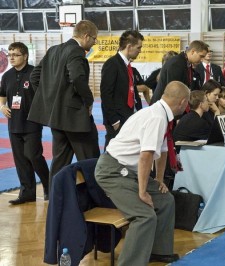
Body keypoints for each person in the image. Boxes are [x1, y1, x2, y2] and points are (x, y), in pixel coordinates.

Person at [95, 81, 190, 266]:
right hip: (112, 172)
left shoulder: (160, 113)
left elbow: (161, 150)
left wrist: (159, 180)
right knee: (144, 216)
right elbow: (146, 157)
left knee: (165, 200)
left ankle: (159, 251)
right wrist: (142, 191)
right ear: (183, 102)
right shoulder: (157, 118)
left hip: (127, 171)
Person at [28, 20, 100, 191]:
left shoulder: (54, 49)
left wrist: (50, 98)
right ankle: (95, 198)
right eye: (94, 39)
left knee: (59, 161)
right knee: (90, 158)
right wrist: (88, 100)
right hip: (74, 117)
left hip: (56, 117)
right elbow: (76, 78)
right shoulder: (76, 51)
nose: (94, 43)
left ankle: (55, 198)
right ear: (86, 36)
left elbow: (34, 77)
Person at [0, 42, 49, 204]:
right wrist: (2, 106)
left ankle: (49, 186)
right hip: (13, 124)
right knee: (20, 159)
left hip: (32, 122)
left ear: (25, 56)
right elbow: (2, 95)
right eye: (10, 55)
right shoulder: (6, 76)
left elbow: (45, 95)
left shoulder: (35, 73)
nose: (11, 58)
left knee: (33, 156)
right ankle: (27, 193)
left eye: (15, 55)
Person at [100, 30, 147, 149]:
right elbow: (106, 95)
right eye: (138, 47)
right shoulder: (112, 64)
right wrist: (114, 121)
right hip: (117, 119)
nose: (140, 51)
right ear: (129, 46)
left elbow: (132, 91)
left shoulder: (128, 66)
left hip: (129, 116)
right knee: (112, 151)